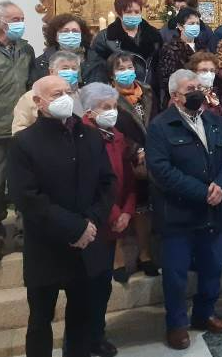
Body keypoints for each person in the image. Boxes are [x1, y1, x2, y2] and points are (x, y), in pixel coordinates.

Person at [7, 75, 114, 357]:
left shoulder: (90, 135)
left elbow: (106, 183)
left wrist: (90, 223)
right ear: (38, 102)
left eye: (69, 92)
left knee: (80, 319)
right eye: (56, 94)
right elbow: (27, 197)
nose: (65, 98)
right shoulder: (24, 142)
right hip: (46, 248)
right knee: (40, 321)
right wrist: (75, 228)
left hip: (85, 247)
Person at [146, 69, 222, 350]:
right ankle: (176, 325)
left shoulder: (214, 121)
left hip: (214, 212)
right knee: (175, 275)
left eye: (200, 87)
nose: (198, 92)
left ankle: (205, 314)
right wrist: (203, 192)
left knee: (213, 267)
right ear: (176, 95)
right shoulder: (161, 126)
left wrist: (221, 186)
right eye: (191, 88)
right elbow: (161, 170)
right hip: (179, 215)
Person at [79, 82, 136, 357]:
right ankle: (84, 337)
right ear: (89, 112)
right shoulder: (82, 137)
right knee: (89, 285)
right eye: (105, 108)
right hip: (94, 223)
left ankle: (97, 334)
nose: (112, 112)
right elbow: (89, 184)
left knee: (103, 284)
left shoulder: (116, 135)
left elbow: (126, 177)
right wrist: (114, 213)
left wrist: (127, 209)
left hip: (116, 220)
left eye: (114, 107)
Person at [107, 51, 159, 282]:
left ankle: (145, 254)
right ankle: (118, 257)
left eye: (129, 67)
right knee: (120, 202)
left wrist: (148, 148)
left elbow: (155, 120)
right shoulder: (108, 96)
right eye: (120, 68)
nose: (126, 72)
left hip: (148, 154)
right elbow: (111, 125)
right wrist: (134, 149)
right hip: (122, 153)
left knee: (143, 207)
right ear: (112, 74)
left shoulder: (146, 91)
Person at [0, 0, 35, 260]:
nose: (21, 23)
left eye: (22, 18)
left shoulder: (26, 49)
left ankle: (25, 233)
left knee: (25, 181)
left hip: (22, 127)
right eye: (15, 19)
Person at [92, 0, 162, 87]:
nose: (133, 15)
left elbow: (159, 66)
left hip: (148, 91)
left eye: (137, 12)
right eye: (129, 12)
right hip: (116, 91)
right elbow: (97, 70)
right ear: (119, 14)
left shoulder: (154, 36)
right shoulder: (105, 37)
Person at [13, 50, 85, 134]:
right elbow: (19, 128)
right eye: (65, 68)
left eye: (74, 69)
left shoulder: (83, 96)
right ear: (51, 71)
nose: (70, 72)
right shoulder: (33, 96)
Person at [31, 13, 107, 86]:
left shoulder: (96, 60)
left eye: (75, 31)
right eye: (65, 31)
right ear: (55, 36)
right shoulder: (42, 62)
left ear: (82, 35)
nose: (70, 34)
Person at [156, 7, 205, 106]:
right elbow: (166, 78)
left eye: (197, 23)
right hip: (181, 98)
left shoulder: (201, 46)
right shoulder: (171, 48)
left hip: (201, 94)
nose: (195, 26)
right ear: (180, 26)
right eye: (191, 24)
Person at [187, 51, 222, 116]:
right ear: (193, 72)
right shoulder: (186, 97)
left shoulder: (214, 95)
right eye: (204, 70)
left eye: (212, 71)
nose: (209, 74)